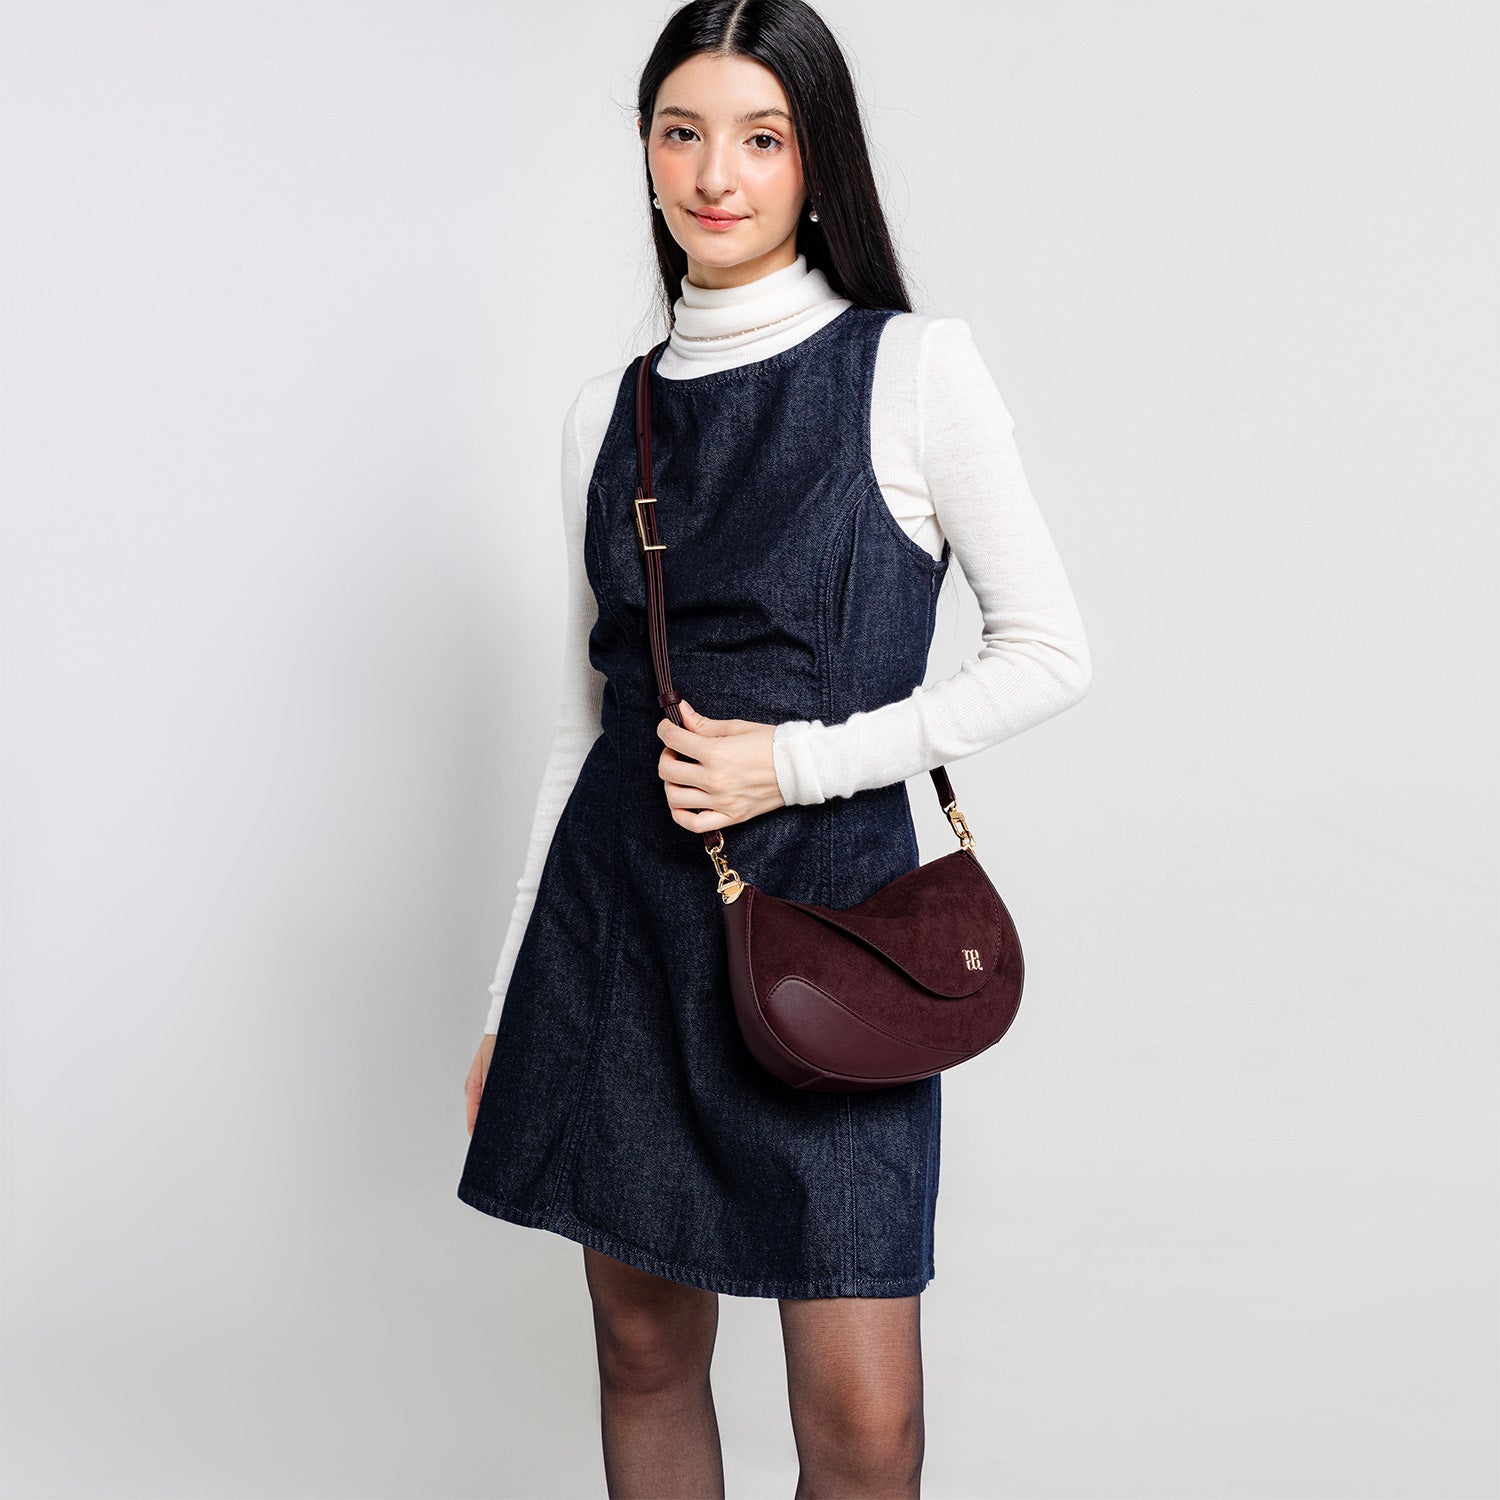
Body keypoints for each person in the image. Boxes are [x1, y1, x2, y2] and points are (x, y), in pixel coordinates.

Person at [458, 1, 1091, 1493]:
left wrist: (792, 765)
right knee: (642, 1356)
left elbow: (1050, 653)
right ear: (646, 150)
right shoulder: (604, 415)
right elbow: (584, 728)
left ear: (817, 161)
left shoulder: (913, 369)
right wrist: (505, 1000)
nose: (715, 174)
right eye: (682, 133)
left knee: (865, 1430)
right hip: (620, 935)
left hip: (836, 939)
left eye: (761, 137)